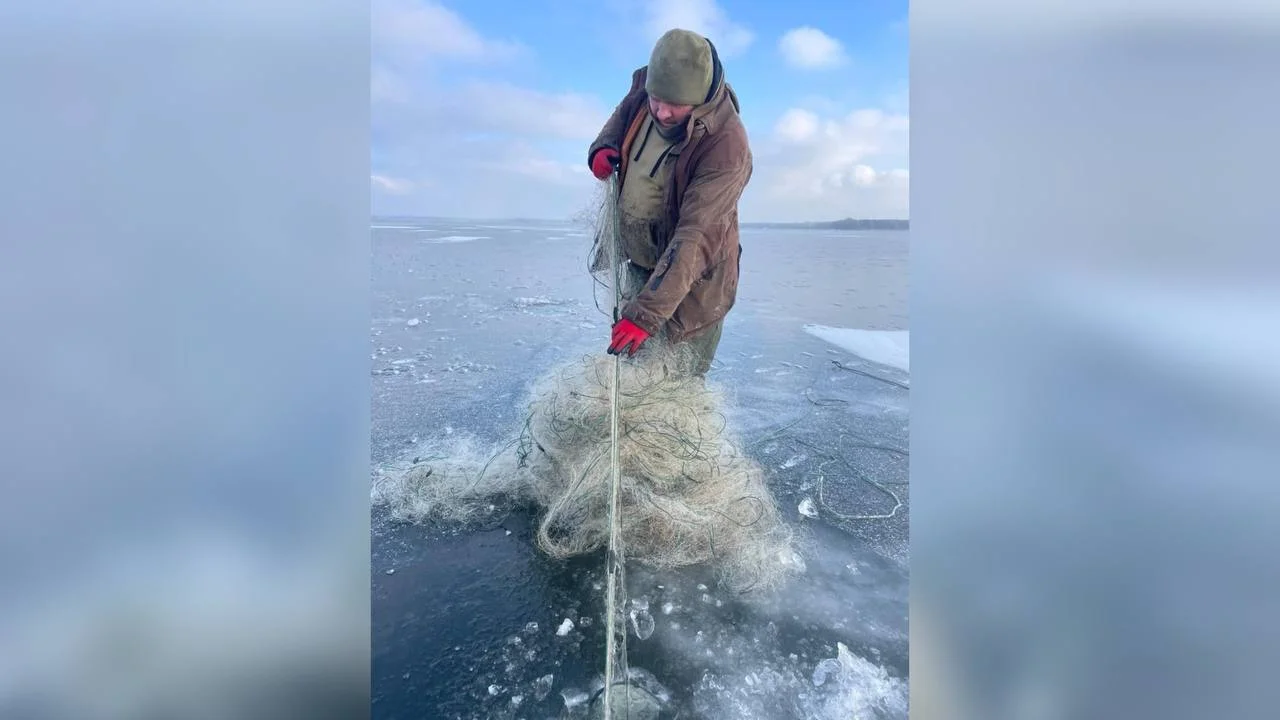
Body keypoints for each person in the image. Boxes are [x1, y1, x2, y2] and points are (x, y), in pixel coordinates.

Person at [587, 28, 752, 377]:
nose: (660, 113)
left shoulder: (727, 146)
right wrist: (605, 144)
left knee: (675, 387)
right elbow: (628, 107)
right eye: (656, 101)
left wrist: (646, 315)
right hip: (641, 264)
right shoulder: (650, 85)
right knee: (633, 373)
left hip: (693, 288)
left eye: (674, 105)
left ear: (699, 99)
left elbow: (697, 235)